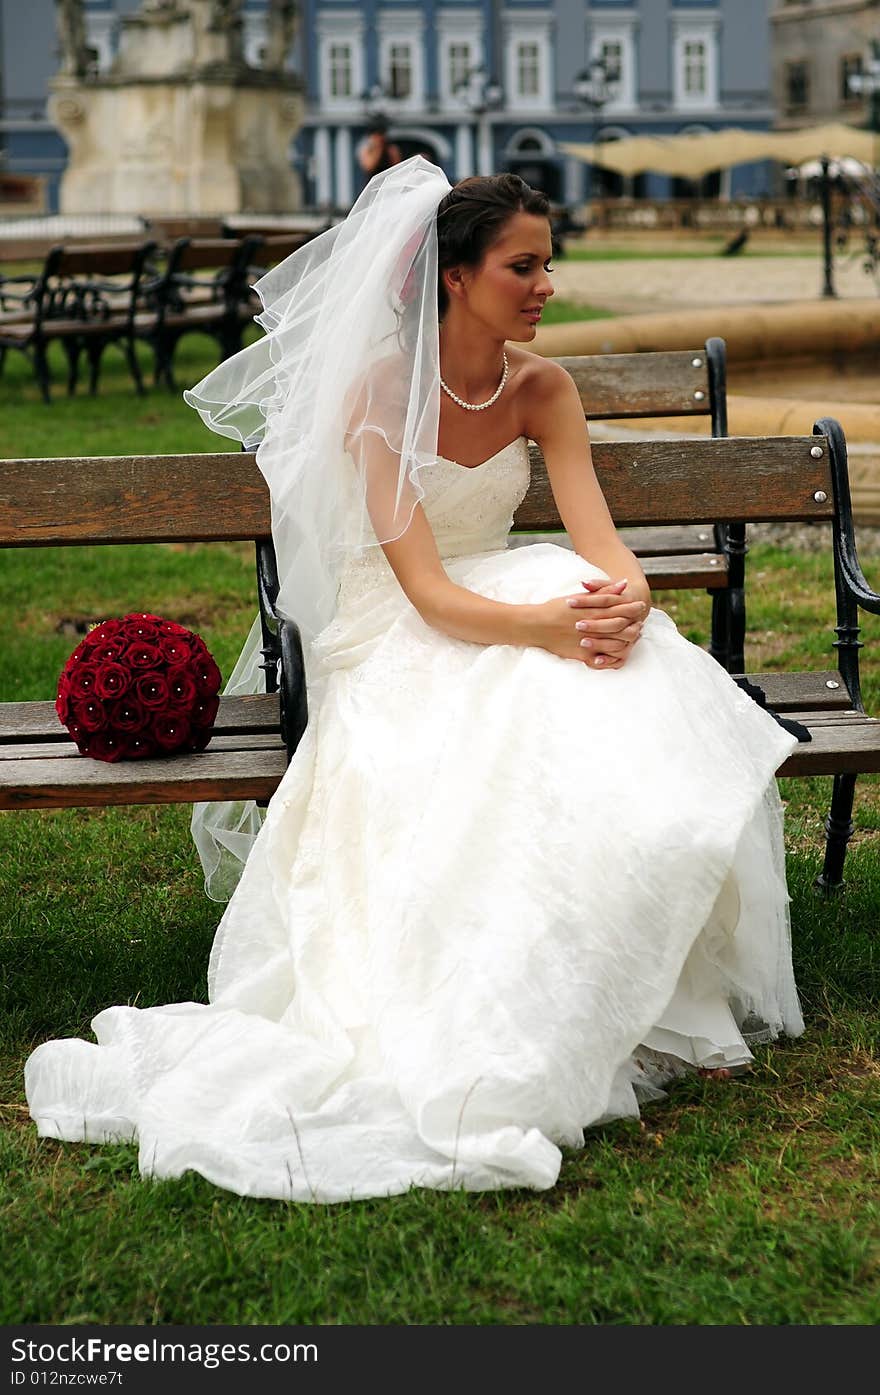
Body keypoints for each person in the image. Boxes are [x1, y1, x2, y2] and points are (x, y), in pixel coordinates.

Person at [24, 158, 803, 1204]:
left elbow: (600, 541)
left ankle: (634, 972)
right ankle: (499, 998)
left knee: (611, 671)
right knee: (513, 698)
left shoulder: (542, 387)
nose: (544, 285)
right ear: (454, 278)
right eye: (522, 266)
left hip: (514, 595)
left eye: (547, 264)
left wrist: (626, 600)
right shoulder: (378, 392)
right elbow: (429, 594)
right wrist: (549, 631)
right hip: (401, 626)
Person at [356, 114, 402, 186]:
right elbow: (369, 167)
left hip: (388, 184)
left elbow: (396, 168)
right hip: (372, 185)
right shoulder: (366, 149)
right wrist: (378, 149)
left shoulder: (391, 149)